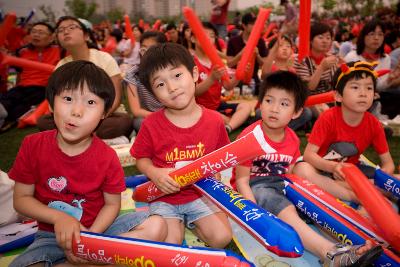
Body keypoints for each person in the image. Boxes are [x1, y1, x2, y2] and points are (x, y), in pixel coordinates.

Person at [8, 60, 166, 267]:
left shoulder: (107, 156)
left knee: (157, 226)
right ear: (51, 101)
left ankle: (90, 260)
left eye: (90, 103)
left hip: (101, 230)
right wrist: (59, 218)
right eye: (67, 98)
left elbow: (112, 205)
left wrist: (90, 241)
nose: (77, 111)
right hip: (51, 236)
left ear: (104, 113)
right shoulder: (33, 145)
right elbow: (21, 200)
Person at [233, 70, 382, 266]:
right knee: (287, 211)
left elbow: (290, 171)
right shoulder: (249, 136)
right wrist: (252, 212)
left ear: (296, 112)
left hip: (281, 183)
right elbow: (242, 180)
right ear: (261, 103)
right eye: (269, 101)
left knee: (314, 207)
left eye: (284, 104)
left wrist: (304, 195)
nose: (274, 109)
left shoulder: (293, 139)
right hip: (256, 187)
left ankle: (356, 243)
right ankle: (329, 254)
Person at [131, 43, 232, 248]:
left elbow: (222, 157)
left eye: (177, 76)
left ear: (194, 73)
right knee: (170, 243)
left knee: (222, 237)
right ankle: (177, 225)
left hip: (201, 194)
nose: (172, 87)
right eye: (160, 84)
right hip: (164, 196)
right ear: (153, 93)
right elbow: (141, 158)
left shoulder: (214, 121)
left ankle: (193, 223)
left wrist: (216, 173)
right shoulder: (151, 123)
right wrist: (155, 173)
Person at [293, 61, 395, 203]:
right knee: (301, 170)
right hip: (322, 169)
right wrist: (333, 167)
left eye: (369, 88)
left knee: (395, 179)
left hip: (350, 173)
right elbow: (309, 155)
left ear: (375, 95)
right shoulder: (328, 118)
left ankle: (362, 191)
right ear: (338, 96)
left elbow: (388, 164)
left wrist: (383, 179)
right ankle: (360, 197)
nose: (363, 93)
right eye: (355, 87)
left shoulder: (374, 124)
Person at [37, 16, 133, 141]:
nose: (66, 32)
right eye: (60, 30)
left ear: (86, 36)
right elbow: (53, 99)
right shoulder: (61, 65)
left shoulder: (104, 58)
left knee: (121, 122)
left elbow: (116, 96)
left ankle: (78, 136)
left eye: (71, 27)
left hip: (106, 115)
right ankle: (91, 136)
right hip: (73, 116)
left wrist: (95, 118)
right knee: (43, 122)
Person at [0, 21, 60, 132]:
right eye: (33, 32)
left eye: (41, 32)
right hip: (22, 87)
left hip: (44, 89)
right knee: (5, 101)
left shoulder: (60, 51)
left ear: (52, 37)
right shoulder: (22, 51)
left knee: (17, 111)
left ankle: (10, 120)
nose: (36, 35)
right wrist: (14, 86)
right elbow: (19, 72)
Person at [193, 22, 251, 133]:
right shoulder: (190, 62)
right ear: (193, 39)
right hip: (199, 109)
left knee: (246, 107)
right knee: (220, 118)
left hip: (217, 106)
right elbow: (193, 92)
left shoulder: (216, 61)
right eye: (204, 35)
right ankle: (231, 123)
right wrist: (211, 79)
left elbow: (228, 86)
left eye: (211, 36)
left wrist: (240, 74)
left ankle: (228, 127)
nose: (208, 39)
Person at [294, 22, 341, 118]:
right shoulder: (302, 59)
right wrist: (321, 68)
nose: (325, 41)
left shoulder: (332, 59)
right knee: (324, 110)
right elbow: (310, 87)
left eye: (328, 38)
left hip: (330, 98)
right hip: (309, 99)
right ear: (311, 40)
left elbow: (336, 84)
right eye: (320, 37)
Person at [124, 31, 166, 132]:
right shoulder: (133, 74)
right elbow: (136, 110)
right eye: (143, 47)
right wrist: (161, 118)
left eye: (151, 48)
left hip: (173, 113)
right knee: (140, 122)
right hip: (148, 116)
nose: (146, 52)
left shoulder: (170, 71)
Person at [227, 12, 268, 96]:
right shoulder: (233, 41)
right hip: (236, 81)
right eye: (252, 24)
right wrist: (241, 54)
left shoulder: (260, 41)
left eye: (256, 24)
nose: (255, 26)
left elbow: (263, 63)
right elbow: (229, 63)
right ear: (244, 25)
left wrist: (257, 55)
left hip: (254, 80)